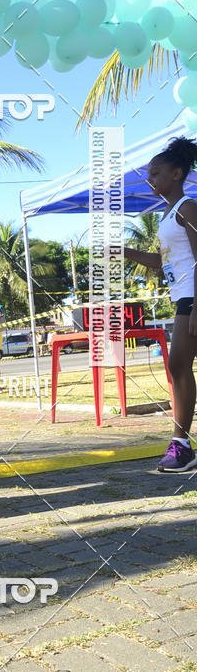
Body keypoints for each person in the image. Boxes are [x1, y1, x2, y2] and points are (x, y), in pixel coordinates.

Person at [126, 136, 197, 473]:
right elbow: (162, 260)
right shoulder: (167, 214)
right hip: (181, 296)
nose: (150, 179)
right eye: (149, 174)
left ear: (176, 172)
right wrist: (124, 252)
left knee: (177, 366)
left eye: (155, 173)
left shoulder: (187, 208)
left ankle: (181, 446)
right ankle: (181, 444)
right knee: (178, 367)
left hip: (192, 298)